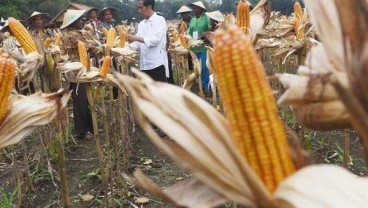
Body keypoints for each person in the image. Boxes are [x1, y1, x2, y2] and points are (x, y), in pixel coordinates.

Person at [60, 9, 102, 140]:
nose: (82, 21)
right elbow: (89, 46)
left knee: (87, 98)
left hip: (82, 69)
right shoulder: (72, 34)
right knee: (81, 101)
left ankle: (90, 126)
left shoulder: (77, 32)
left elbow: (91, 44)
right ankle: (82, 131)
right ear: (73, 22)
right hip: (76, 73)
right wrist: (102, 49)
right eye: (79, 20)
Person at [127, 0, 168, 83]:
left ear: (149, 7)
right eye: (138, 8)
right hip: (144, 65)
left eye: (141, 8)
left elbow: (155, 41)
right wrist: (126, 48)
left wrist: (136, 38)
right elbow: (138, 44)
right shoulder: (141, 24)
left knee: (158, 94)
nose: (139, 11)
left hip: (157, 64)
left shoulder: (160, 20)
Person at [188, 1, 211, 92]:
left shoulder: (206, 18)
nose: (193, 10)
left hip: (203, 47)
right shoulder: (192, 20)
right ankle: (201, 84)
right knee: (197, 68)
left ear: (201, 9)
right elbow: (189, 31)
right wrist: (189, 38)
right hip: (194, 48)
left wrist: (204, 34)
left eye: (195, 8)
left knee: (205, 67)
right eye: (193, 8)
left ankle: (207, 87)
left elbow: (210, 29)